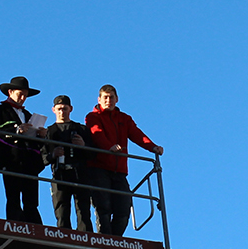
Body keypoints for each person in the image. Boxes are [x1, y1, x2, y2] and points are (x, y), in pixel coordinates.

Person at [84, 84, 163, 236]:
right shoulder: (93, 117)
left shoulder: (124, 119)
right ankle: (106, 240)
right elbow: (97, 134)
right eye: (105, 98)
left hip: (119, 171)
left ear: (117, 99)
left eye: (111, 97)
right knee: (104, 207)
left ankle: (114, 239)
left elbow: (137, 134)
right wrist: (109, 147)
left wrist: (153, 147)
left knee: (124, 208)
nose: (108, 100)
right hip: (99, 168)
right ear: (99, 99)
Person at [0, 76, 45, 223]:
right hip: (11, 159)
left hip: (29, 162)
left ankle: (34, 228)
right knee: (13, 197)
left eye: (25, 96)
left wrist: (40, 136)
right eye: (20, 94)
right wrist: (16, 130)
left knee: (31, 200)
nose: (22, 98)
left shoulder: (28, 115)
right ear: (10, 92)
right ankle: (15, 226)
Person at [43, 95, 93, 231]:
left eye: (64, 108)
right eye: (59, 109)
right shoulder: (49, 132)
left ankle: (86, 237)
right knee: (61, 211)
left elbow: (93, 154)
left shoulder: (81, 130)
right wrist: (53, 155)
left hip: (80, 174)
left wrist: (82, 146)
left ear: (70, 109)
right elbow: (42, 157)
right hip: (59, 174)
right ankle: (64, 237)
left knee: (84, 211)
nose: (62, 112)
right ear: (53, 109)